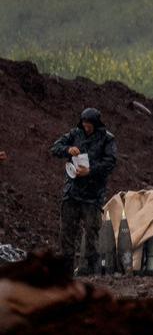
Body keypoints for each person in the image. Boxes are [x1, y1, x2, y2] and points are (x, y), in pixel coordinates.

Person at [49, 108, 118, 276]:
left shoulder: (107, 139)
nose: (86, 128)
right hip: (72, 193)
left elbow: (110, 162)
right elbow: (55, 148)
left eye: (89, 126)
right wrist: (68, 150)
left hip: (92, 196)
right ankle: (66, 273)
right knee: (67, 233)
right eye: (84, 125)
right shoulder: (75, 134)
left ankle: (90, 273)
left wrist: (91, 170)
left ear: (96, 124)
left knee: (92, 234)